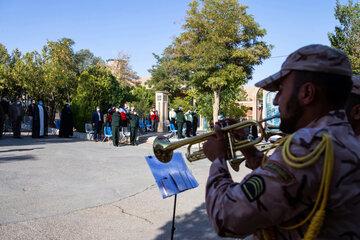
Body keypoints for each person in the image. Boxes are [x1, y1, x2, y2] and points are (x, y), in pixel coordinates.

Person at [203, 44, 360, 239]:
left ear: (307, 93)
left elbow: (227, 217)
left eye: (281, 90)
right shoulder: (342, 137)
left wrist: (218, 159)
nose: (276, 101)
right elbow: (291, 183)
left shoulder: (310, 146)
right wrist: (249, 150)